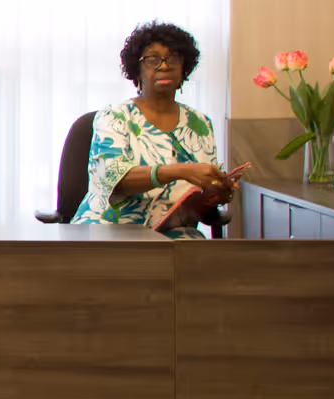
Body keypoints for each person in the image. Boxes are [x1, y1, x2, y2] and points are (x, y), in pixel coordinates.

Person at [70, 21, 233, 239]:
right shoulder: (114, 116)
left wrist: (213, 196)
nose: (164, 66)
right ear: (136, 70)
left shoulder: (200, 123)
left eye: (173, 58)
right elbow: (115, 180)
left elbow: (196, 202)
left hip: (174, 233)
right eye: (152, 59)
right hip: (111, 230)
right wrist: (182, 171)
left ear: (184, 68)